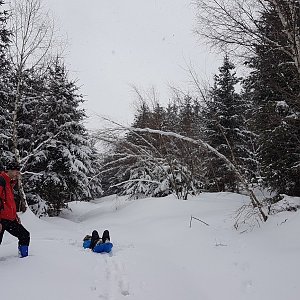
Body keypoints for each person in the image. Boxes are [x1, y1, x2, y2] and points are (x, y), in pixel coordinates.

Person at [0, 162, 30, 258]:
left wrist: (15, 215)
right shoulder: (1, 181)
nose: (18, 174)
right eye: (16, 172)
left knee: (24, 235)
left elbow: (9, 203)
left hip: (9, 218)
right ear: (10, 170)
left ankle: (24, 259)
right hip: (1, 219)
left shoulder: (10, 183)